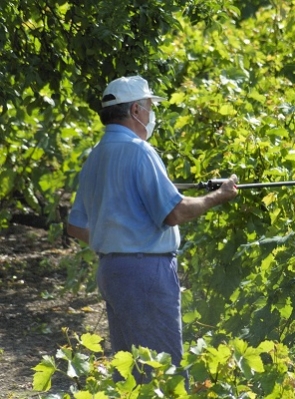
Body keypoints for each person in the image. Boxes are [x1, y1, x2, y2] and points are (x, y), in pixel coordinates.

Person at [66, 76, 238, 385]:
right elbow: (175, 212)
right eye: (148, 107)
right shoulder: (140, 152)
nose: (150, 114)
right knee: (164, 371)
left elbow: (76, 225)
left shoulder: (95, 157)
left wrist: (116, 237)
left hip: (112, 270)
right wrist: (218, 196)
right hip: (146, 273)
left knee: (131, 369)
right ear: (135, 110)